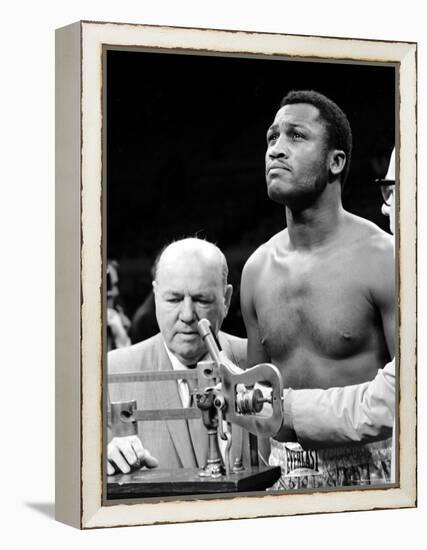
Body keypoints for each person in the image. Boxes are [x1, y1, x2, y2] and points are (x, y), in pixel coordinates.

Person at [241, 90, 395, 489]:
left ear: (336, 161)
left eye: (295, 136)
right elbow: (258, 403)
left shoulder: (384, 258)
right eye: (272, 137)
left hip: (375, 474)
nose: (276, 149)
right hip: (279, 477)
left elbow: (413, 392)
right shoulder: (257, 269)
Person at [279, 148, 396, 452]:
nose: (386, 207)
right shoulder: (258, 267)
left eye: (394, 189)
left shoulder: (385, 260)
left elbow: (399, 396)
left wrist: (286, 407)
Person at [107, 238, 246, 475]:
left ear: (227, 300)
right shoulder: (113, 372)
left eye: (201, 299)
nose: (188, 315)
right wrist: (103, 461)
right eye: (173, 299)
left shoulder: (257, 364)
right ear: (155, 295)